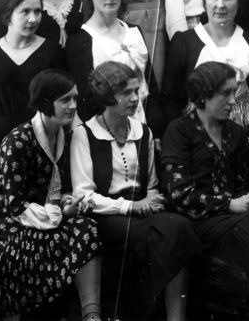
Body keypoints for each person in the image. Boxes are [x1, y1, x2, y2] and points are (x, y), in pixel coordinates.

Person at [160, 61, 249, 320]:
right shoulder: (180, 130)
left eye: (234, 92)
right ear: (203, 96)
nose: (233, 101)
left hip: (232, 218)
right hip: (195, 221)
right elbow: (179, 193)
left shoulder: (235, 132)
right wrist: (230, 204)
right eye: (225, 94)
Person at [71, 61, 199, 321]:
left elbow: (151, 184)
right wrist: (131, 206)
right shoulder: (84, 134)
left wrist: (151, 197)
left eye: (136, 90)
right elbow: (84, 195)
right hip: (106, 217)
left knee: (180, 227)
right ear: (107, 96)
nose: (134, 98)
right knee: (172, 230)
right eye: (126, 93)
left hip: (141, 214)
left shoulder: (143, 131)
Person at [0, 69, 102, 321]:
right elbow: (15, 206)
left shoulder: (67, 136)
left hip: (49, 215)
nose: (73, 106)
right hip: (12, 223)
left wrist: (68, 204)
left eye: (75, 98)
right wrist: (59, 214)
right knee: (32, 247)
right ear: (45, 102)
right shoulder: (17, 141)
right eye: (65, 100)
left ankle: (92, 315)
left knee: (88, 228)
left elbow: (62, 189)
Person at [0, 0, 63, 275]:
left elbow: (60, 101)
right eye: (25, 12)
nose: (33, 19)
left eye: (38, 11)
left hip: (37, 141)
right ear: (8, 16)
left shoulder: (51, 52)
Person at [162, 0, 249, 131]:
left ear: (239, 1)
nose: (220, 5)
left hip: (243, 135)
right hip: (194, 135)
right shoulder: (184, 42)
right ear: (204, 1)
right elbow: (170, 101)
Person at [65, 0, 163, 135]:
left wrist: (155, 131)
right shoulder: (80, 41)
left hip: (142, 127)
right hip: (104, 131)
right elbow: (85, 101)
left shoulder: (134, 31)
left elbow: (150, 88)